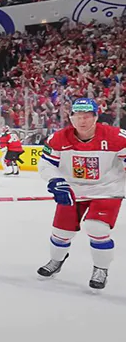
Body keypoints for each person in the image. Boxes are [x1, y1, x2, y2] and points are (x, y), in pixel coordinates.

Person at [37, 98, 126, 290]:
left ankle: (101, 269)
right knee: (61, 232)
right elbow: (46, 164)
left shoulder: (116, 137)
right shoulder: (58, 138)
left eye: (86, 116)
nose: (82, 121)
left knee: (97, 228)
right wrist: (55, 181)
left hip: (106, 190)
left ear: (96, 117)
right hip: (73, 190)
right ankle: (56, 260)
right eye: (77, 117)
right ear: (71, 118)